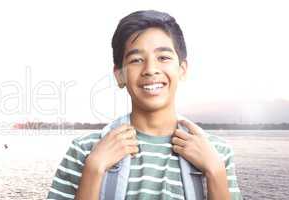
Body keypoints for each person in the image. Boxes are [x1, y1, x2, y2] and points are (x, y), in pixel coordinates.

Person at [47, 10, 241, 199]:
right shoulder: (84, 150)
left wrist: (215, 172)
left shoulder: (216, 152)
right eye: (136, 60)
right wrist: (94, 169)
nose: (150, 69)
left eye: (163, 57)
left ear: (182, 69)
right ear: (119, 75)